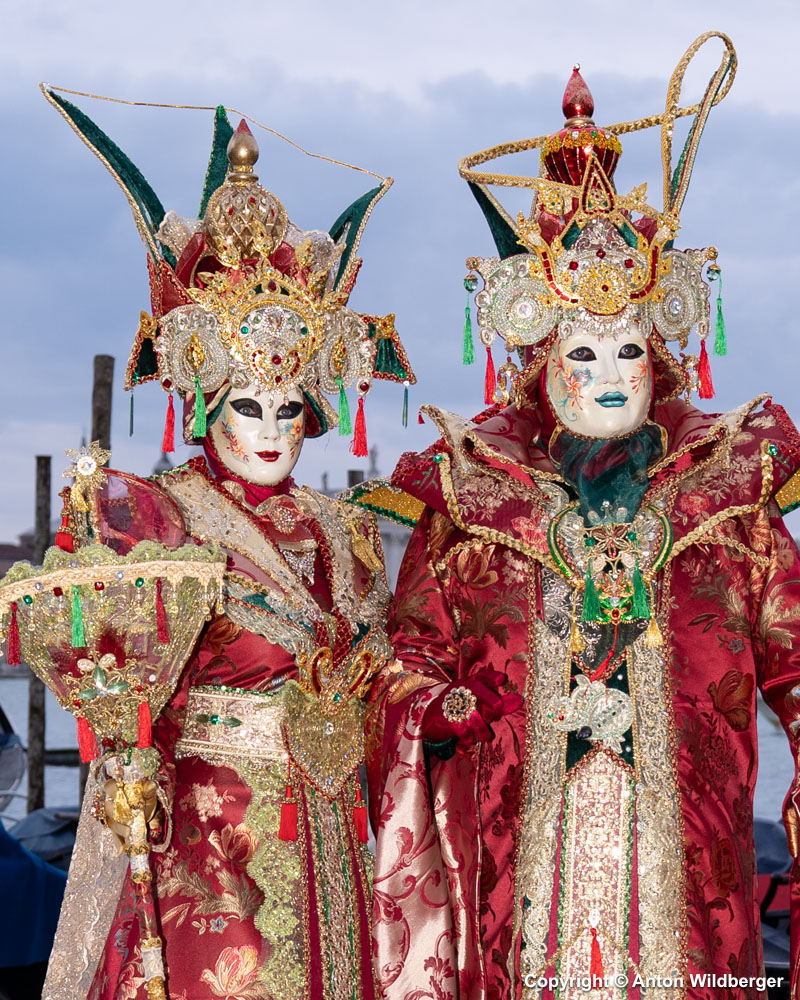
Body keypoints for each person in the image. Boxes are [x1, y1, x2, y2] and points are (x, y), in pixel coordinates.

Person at [362, 33, 800, 1000]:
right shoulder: (472, 509)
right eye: (584, 353)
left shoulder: (726, 504)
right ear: (541, 359)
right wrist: (438, 708)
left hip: (693, 869)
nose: (608, 378)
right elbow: (405, 659)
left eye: (627, 351)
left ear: (660, 352)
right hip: (524, 865)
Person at [39, 94, 414, 1000]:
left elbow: (385, 679)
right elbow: (99, 668)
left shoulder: (347, 532)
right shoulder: (154, 518)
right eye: (250, 405)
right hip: (212, 839)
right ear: (204, 400)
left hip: (329, 833)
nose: (274, 430)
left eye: (291, 409)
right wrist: (123, 751)